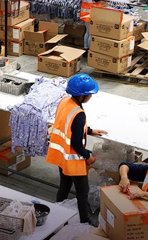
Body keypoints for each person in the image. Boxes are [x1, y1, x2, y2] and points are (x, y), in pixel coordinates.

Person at [46, 74, 108, 224]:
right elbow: (76, 144)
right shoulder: (78, 114)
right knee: (82, 192)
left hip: (62, 156)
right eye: (89, 95)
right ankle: (84, 221)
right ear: (81, 96)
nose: (90, 97)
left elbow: (69, 126)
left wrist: (90, 130)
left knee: (64, 186)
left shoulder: (65, 102)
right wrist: (88, 156)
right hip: (73, 159)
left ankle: (58, 212)